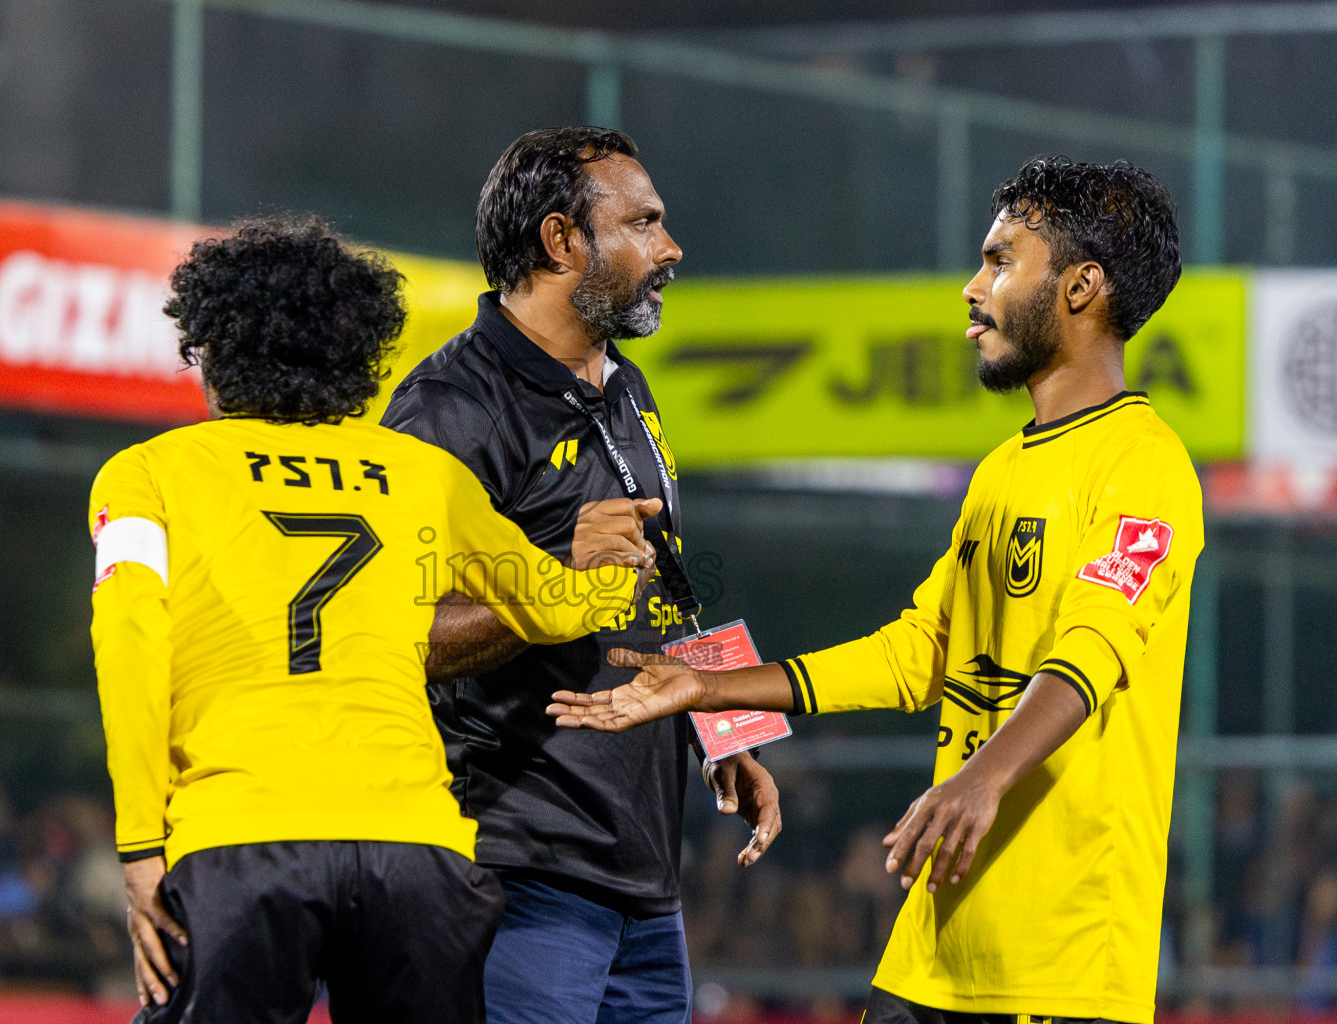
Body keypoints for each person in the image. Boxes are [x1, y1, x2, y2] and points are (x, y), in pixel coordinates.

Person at [550, 156, 1201, 1024]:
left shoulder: (1144, 461)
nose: (974, 288)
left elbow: (1095, 649)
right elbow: (915, 652)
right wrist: (708, 687)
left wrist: (982, 778)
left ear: (1083, 287)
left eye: (1002, 261)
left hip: (1058, 968)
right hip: (932, 955)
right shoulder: (1005, 469)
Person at [91, 215, 650, 1024]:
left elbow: (130, 644)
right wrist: (605, 564)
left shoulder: (147, 475)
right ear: (357, 353)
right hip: (416, 853)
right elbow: (557, 607)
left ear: (211, 352)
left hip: (242, 841)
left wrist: (142, 846)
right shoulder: (423, 475)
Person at [381, 126, 782, 1023]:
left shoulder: (628, 389)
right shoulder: (451, 408)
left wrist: (724, 722)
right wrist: (557, 579)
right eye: (643, 223)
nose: (671, 249)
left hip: (646, 883)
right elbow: (393, 638)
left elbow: (664, 583)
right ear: (563, 241)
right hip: (516, 873)